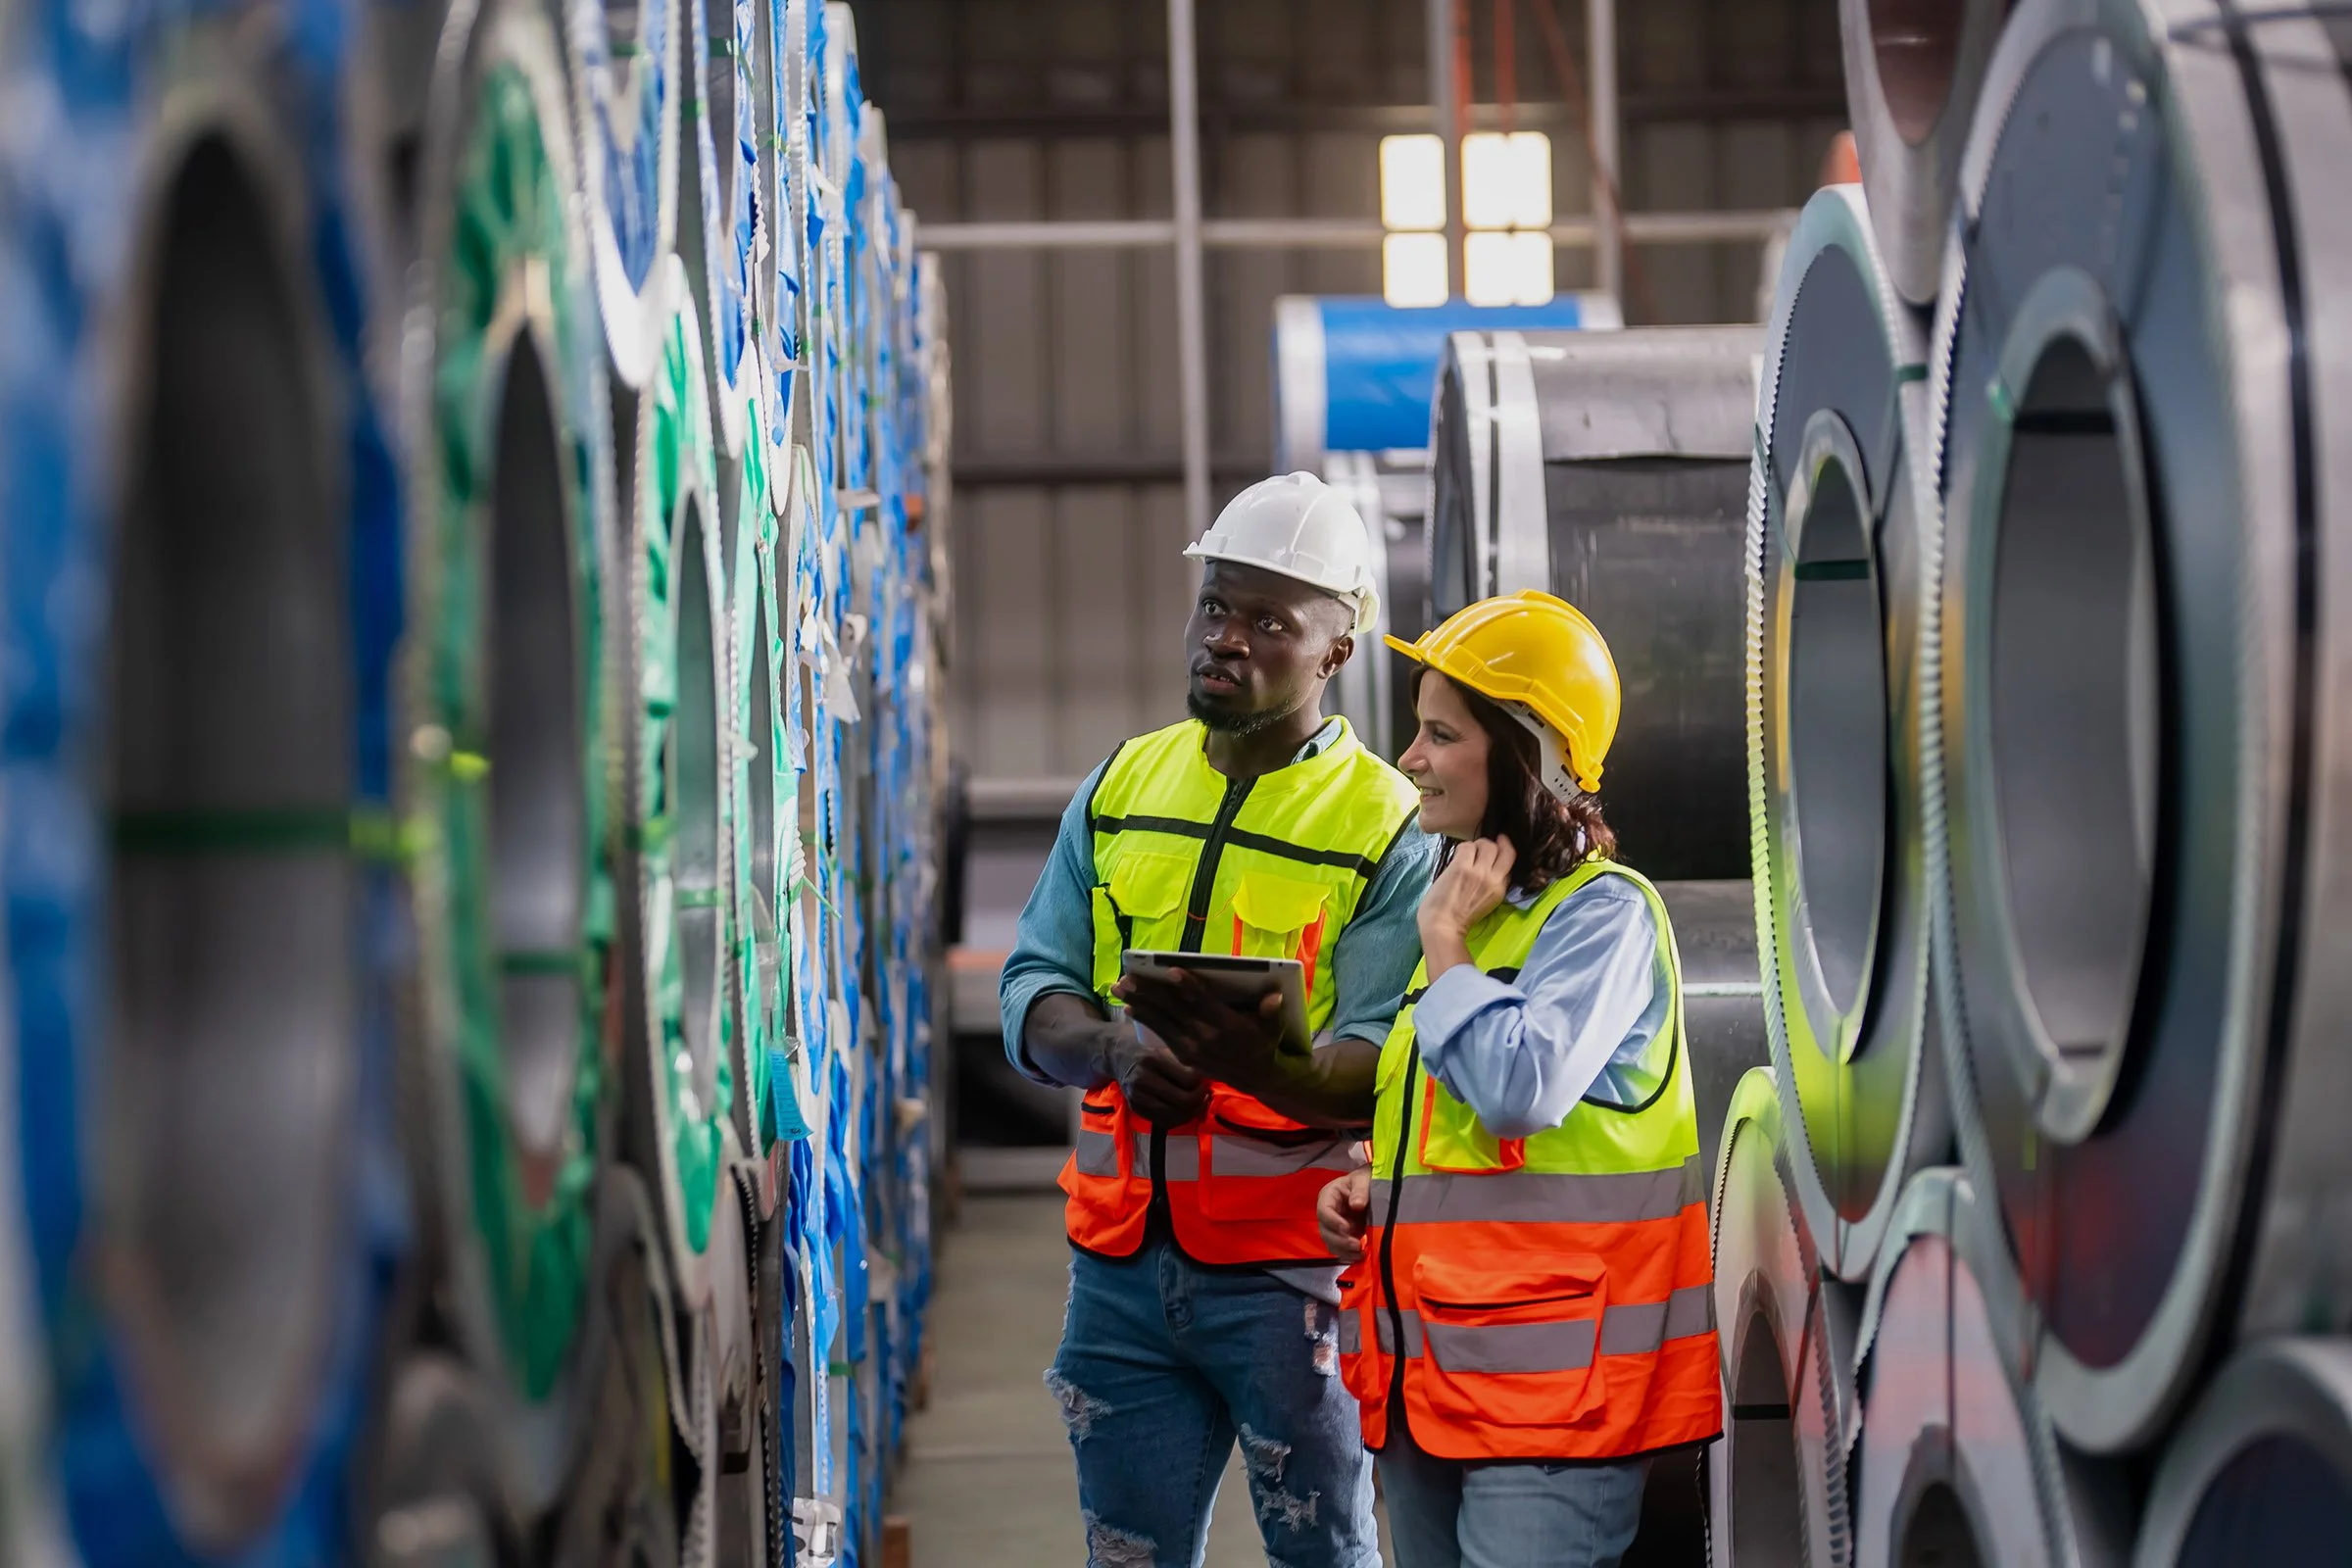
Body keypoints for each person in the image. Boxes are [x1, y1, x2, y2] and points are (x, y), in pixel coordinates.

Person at [1178, 589, 1721, 1568]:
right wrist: (1374, 1188)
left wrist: (1441, 941)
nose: (1411, 760)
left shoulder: (1603, 919)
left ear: (1530, 756)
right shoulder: (1482, 921)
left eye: (1439, 734)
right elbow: (1472, 1145)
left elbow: (1523, 1087)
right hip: (1434, 1390)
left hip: (1554, 1412)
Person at [999, 471, 1439, 1568]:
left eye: (1269, 622)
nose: (1225, 639)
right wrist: (1105, 1047)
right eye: (1214, 606)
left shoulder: (1387, 827)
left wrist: (1265, 1068)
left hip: (1295, 1283)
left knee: (1327, 1553)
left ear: (1335, 653)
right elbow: (1032, 987)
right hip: (1119, 1271)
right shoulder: (1121, 785)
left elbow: (1383, 1059)